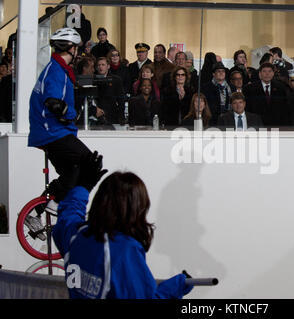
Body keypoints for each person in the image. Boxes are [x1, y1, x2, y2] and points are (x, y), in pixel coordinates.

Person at [52, 153, 194, 299]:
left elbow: (68, 215)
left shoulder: (76, 236)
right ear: (138, 209)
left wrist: (83, 186)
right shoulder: (124, 251)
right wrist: (176, 286)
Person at [28, 28, 93, 215]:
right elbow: (53, 102)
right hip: (53, 131)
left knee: (72, 170)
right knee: (88, 162)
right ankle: (57, 203)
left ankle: (36, 212)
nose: (78, 53)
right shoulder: (56, 70)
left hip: (51, 131)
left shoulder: (56, 68)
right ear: (70, 48)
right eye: (77, 48)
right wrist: (68, 114)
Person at [243, 62, 290, 127]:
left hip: (276, 124)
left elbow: (285, 108)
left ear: (273, 73)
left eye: (270, 71)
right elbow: (248, 109)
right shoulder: (249, 89)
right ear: (260, 73)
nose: (267, 74)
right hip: (257, 124)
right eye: (264, 71)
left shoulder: (281, 87)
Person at [95, 57, 126, 125]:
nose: (100, 67)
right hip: (97, 115)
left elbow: (121, 99)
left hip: (112, 114)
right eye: (99, 65)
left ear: (108, 66)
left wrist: (121, 117)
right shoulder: (93, 80)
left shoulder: (116, 80)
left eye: (103, 65)